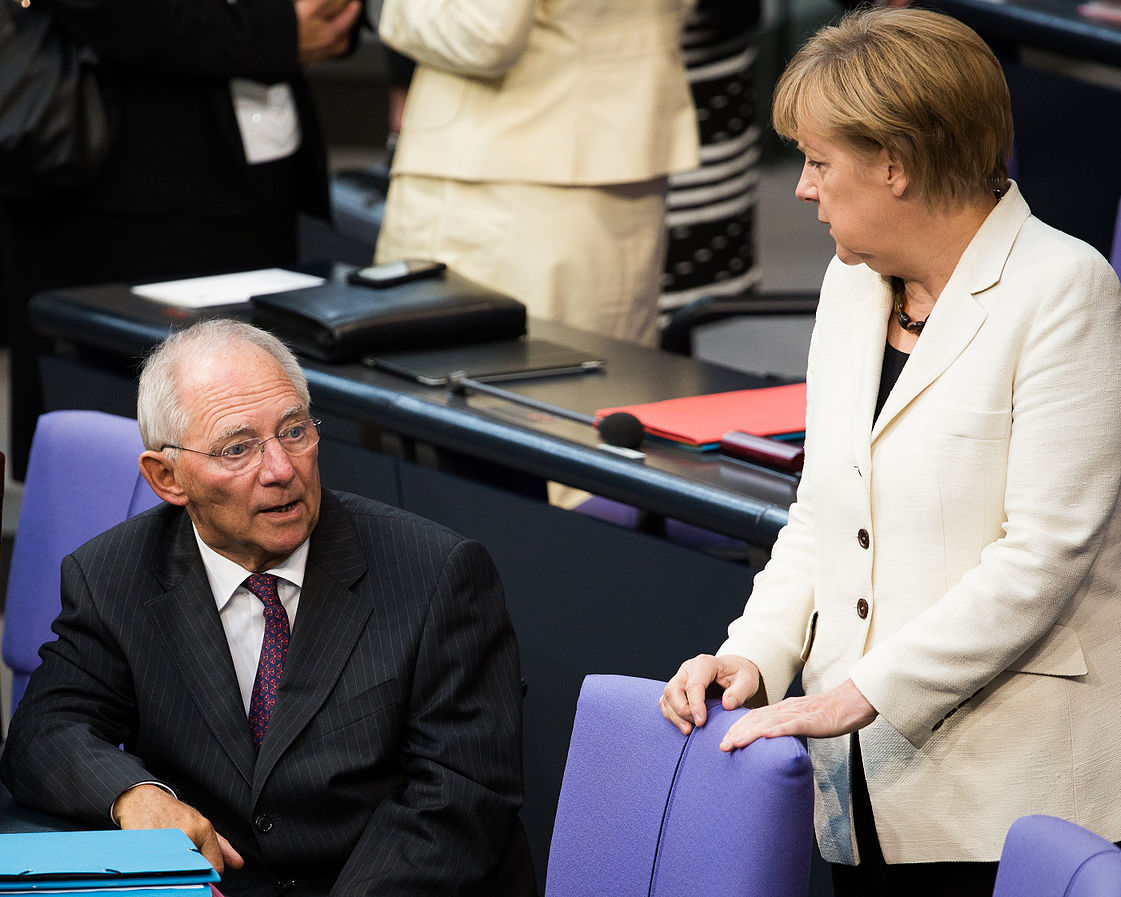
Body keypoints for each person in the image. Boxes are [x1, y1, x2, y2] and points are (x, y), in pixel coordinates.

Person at [659, 9, 1121, 897]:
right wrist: (753, 653)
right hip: (873, 791)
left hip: (1035, 797)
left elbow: (1041, 556)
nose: (802, 189)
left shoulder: (1064, 290)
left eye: (819, 162)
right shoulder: (851, 281)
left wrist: (858, 692)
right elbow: (822, 511)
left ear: (896, 163)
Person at [1, 319, 532, 897]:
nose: (281, 469)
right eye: (237, 448)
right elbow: (45, 731)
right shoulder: (114, 575)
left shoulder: (436, 573)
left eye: (294, 431)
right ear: (167, 478)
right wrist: (135, 796)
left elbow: (458, 798)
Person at [0, 0, 360, 481]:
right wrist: (273, 33)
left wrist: (324, 21)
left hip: (257, 174)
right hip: (121, 190)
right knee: (118, 468)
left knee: (263, 436)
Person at [372, 0, 700, 347]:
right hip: (613, 155)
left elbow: (483, 31)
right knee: (603, 372)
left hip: (499, 186)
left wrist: (385, 7)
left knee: (494, 374)